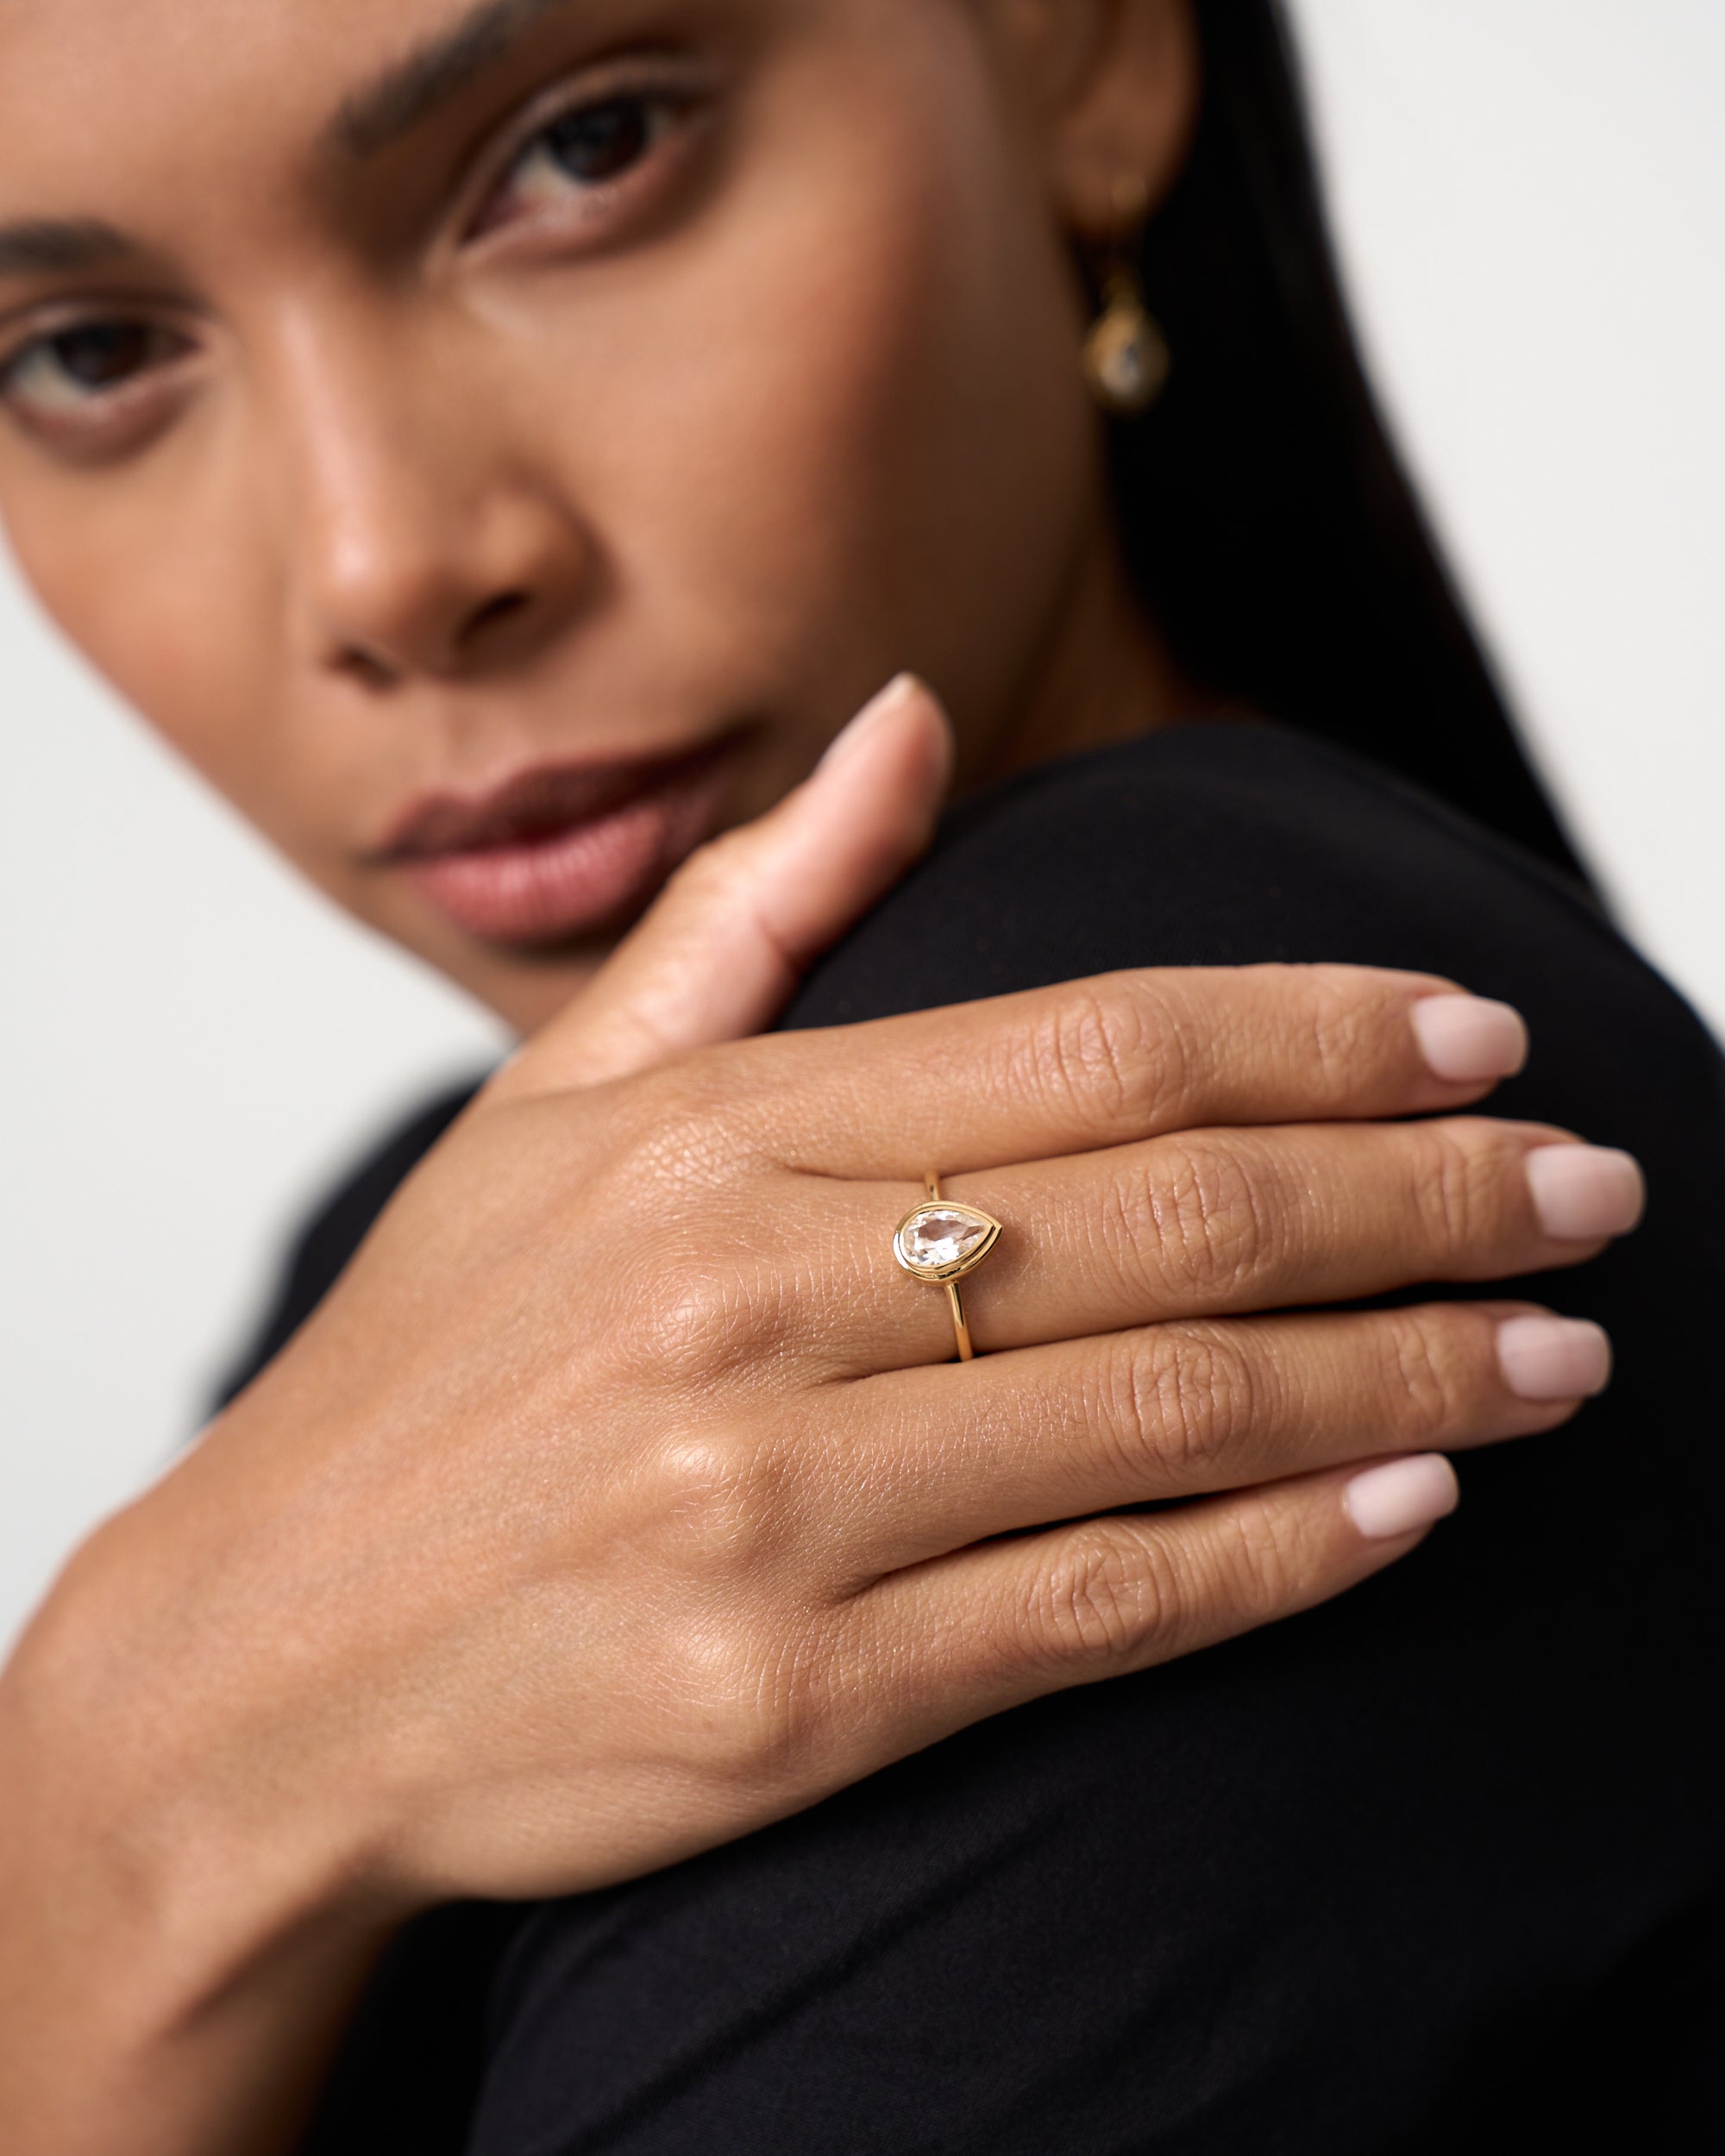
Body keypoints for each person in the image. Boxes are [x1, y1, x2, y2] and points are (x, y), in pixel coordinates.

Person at [0, 3, 1716, 2153]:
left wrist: (121, 1849)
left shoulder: (1191, 1062)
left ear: (1084, 56)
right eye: (80, 351)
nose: (387, 566)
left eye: (584, 147)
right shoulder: (446, 1276)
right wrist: (123, 1793)